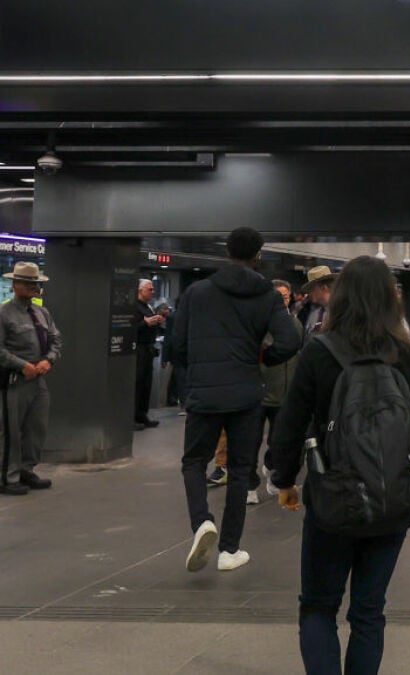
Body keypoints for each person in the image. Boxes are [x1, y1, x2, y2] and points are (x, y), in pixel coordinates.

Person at [269, 256, 410, 675]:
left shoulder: (320, 351)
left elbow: (288, 428)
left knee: (318, 607)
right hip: (392, 499)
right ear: (389, 299)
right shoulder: (401, 352)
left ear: (340, 297)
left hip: (334, 498)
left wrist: (284, 480)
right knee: (368, 611)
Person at [174, 227, 301, 573]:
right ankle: (230, 550)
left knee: (194, 462)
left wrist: (193, 376)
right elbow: (290, 341)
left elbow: (176, 345)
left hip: (204, 391)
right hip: (247, 392)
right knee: (241, 469)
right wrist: (263, 358)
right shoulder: (268, 295)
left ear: (226, 251)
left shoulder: (197, 293)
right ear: (258, 255)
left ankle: (202, 521)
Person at [0, 262, 61, 495]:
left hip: (38, 379)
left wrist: (49, 359)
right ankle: (7, 476)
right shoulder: (4, 314)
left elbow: (56, 340)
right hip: (14, 380)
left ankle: (27, 469)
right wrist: (21, 365)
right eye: (28, 283)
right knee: (11, 430)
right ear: (15, 285)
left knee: (36, 428)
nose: (34, 287)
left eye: (35, 283)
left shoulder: (41, 312)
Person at [248, 279, 305, 505]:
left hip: (285, 395)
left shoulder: (296, 325)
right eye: (278, 296)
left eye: (286, 297)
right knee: (250, 443)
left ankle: (273, 472)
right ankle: (249, 485)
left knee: (280, 442)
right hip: (258, 394)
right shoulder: (256, 325)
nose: (283, 301)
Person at [134, 278, 165, 430]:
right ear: (140, 291)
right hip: (138, 348)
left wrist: (156, 321)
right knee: (137, 382)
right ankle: (133, 416)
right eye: (149, 289)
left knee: (146, 383)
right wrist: (146, 323)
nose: (152, 292)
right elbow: (131, 328)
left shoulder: (149, 307)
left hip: (148, 348)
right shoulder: (135, 307)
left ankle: (142, 414)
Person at [301, 266, 337, 344]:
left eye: (311, 289)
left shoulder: (342, 312)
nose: (309, 293)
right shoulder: (313, 312)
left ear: (324, 288)